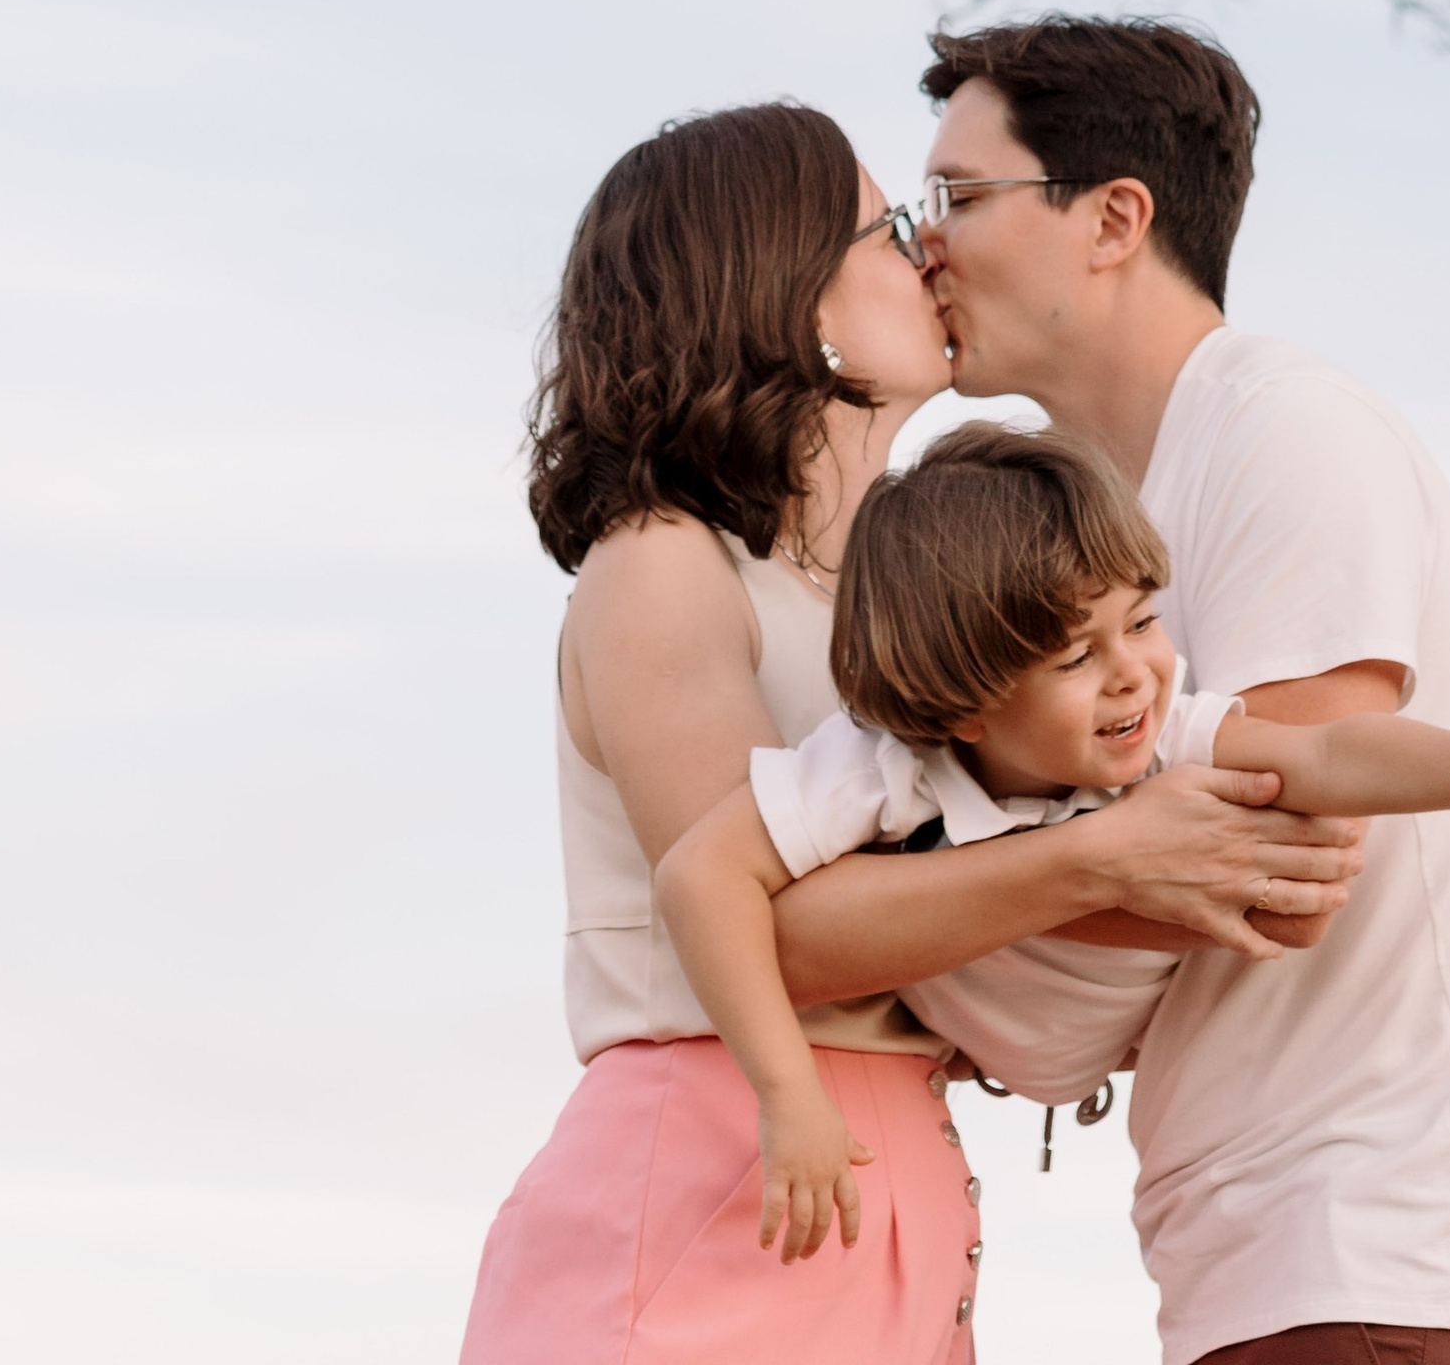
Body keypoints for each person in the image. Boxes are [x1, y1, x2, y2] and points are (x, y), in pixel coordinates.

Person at [454, 98, 1365, 1365]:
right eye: (886, 229)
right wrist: (1102, 864)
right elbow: (766, 928)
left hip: (883, 1196)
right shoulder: (663, 565)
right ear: (795, 303)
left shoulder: (878, 610)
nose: (929, 251)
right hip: (718, 1187)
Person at [916, 17, 1450, 1365]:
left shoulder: (1285, 431)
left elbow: (1278, 864)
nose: (923, 242)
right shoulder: (1114, 513)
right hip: (1290, 1275)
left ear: (1115, 218)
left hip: (1386, 1268)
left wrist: (898, 916)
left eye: (958, 196)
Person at [657, 419, 1450, 1264]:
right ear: (963, 704)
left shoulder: (1169, 739)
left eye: (1144, 620)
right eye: (1077, 656)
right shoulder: (887, 768)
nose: (1135, 676)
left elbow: (1325, 750)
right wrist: (788, 1094)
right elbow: (700, 875)